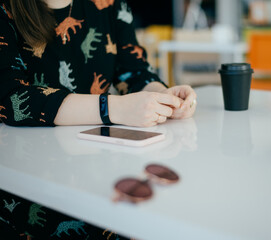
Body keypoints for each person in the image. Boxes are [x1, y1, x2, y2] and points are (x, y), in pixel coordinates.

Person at [0, 0, 197, 239]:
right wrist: (113, 108)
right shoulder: (6, 9)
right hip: (28, 188)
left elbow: (134, 71)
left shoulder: (111, 5)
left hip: (103, 177)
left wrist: (162, 96)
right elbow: (11, 99)